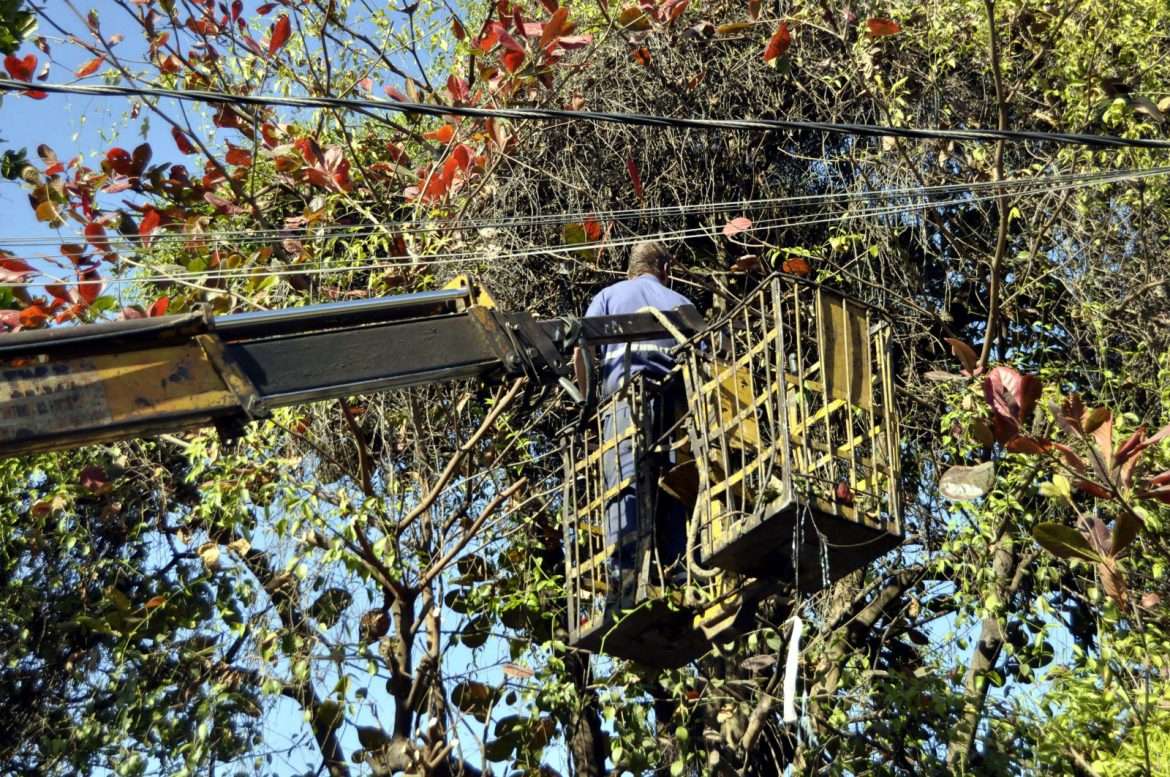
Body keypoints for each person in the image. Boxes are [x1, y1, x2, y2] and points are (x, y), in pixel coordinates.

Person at [576, 241, 698, 602]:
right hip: (676, 406)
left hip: (625, 403)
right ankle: (676, 568)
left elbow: (581, 349)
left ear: (631, 270)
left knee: (625, 483)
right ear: (665, 270)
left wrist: (588, 404)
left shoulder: (609, 295)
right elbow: (707, 355)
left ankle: (624, 575)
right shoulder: (681, 302)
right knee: (674, 485)